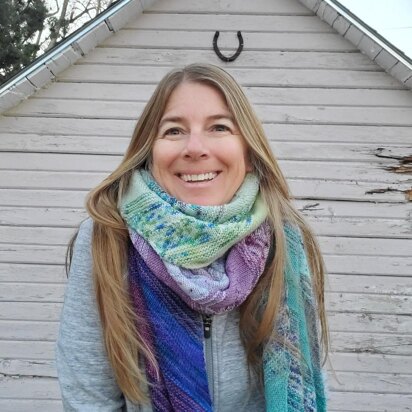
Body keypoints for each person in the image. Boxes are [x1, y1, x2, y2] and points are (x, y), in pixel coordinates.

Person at [56, 63, 329, 411]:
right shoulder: (106, 239)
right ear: (148, 152)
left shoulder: (283, 239)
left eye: (219, 127)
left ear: (248, 152)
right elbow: (88, 399)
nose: (195, 148)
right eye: (173, 131)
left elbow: (305, 379)